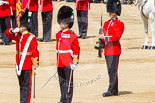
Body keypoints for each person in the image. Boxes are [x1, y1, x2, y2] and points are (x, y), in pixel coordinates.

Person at [5, 9, 39, 103]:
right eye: (20, 25)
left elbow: (35, 52)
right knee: (21, 86)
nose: (20, 27)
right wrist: (13, 29)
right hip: (18, 65)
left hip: (27, 64)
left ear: (27, 27)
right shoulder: (18, 35)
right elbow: (7, 32)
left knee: (27, 87)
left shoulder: (31, 37)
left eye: (22, 26)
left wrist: (35, 64)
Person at [99, 0, 124, 97]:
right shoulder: (106, 23)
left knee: (113, 70)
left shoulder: (119, 23)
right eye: (109, 11)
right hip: (107, 50)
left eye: (111, 11)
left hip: (114, 50)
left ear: (116, 12)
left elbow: (117, 37)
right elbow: (104, 37)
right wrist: (101, 45)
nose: (110, 13)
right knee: (111, 70)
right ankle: (115, 90)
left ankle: (111, 90)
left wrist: (104, 37)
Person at [56, 6, 80, 103]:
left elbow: (76, 49)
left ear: (68, 23)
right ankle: (63, 98)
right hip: (60, 61)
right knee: (61, 82)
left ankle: (68, 99)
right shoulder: (58, 34)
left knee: (69, 82)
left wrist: (75, 62)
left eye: (63, 22)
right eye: (61, 22)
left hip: (68, 61)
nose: (61, 24)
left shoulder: (72, 35)